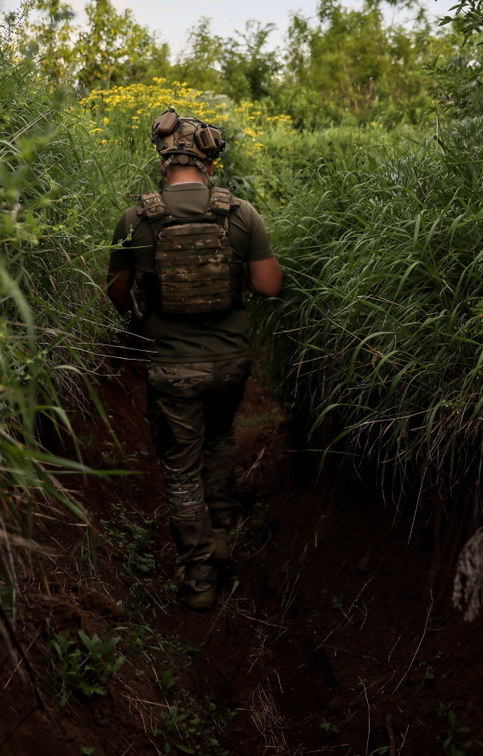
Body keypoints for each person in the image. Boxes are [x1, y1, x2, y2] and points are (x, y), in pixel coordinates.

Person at [106, 108, 283, 611]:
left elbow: (117, 296)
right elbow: (269, 286)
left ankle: (200, 573)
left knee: (181, 470)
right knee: (221, 437)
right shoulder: (241, 213)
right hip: (230, 363)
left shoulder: (136, 218)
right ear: (208, 162)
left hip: (171, 367)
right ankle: (223, 533)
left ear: (163, 160)